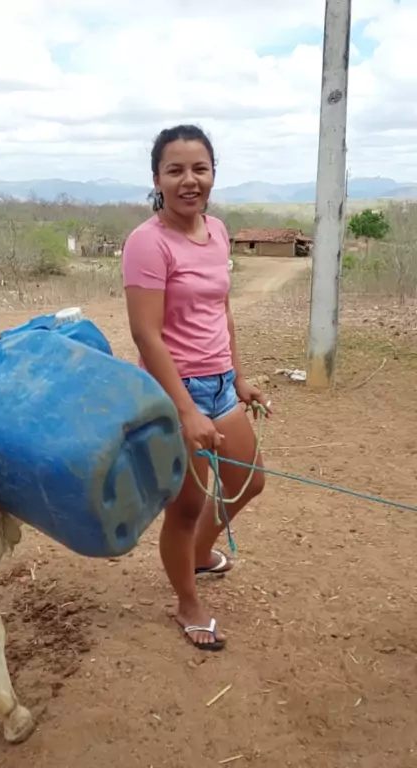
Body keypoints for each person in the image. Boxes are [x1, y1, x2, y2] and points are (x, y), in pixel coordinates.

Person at [123, 124, 271, 652]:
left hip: (220, 385)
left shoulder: (219, 231)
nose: (189, 180)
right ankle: (187, 604)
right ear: (157, 179)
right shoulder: (147, 242)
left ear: (212, 174)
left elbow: (221, 311)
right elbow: (146, 334)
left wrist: (239, 377)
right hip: (172, 391)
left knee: (248, 481)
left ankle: (200, 556)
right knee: (185, 507)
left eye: (199, 169)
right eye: (175, 170)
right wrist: (184, 410)